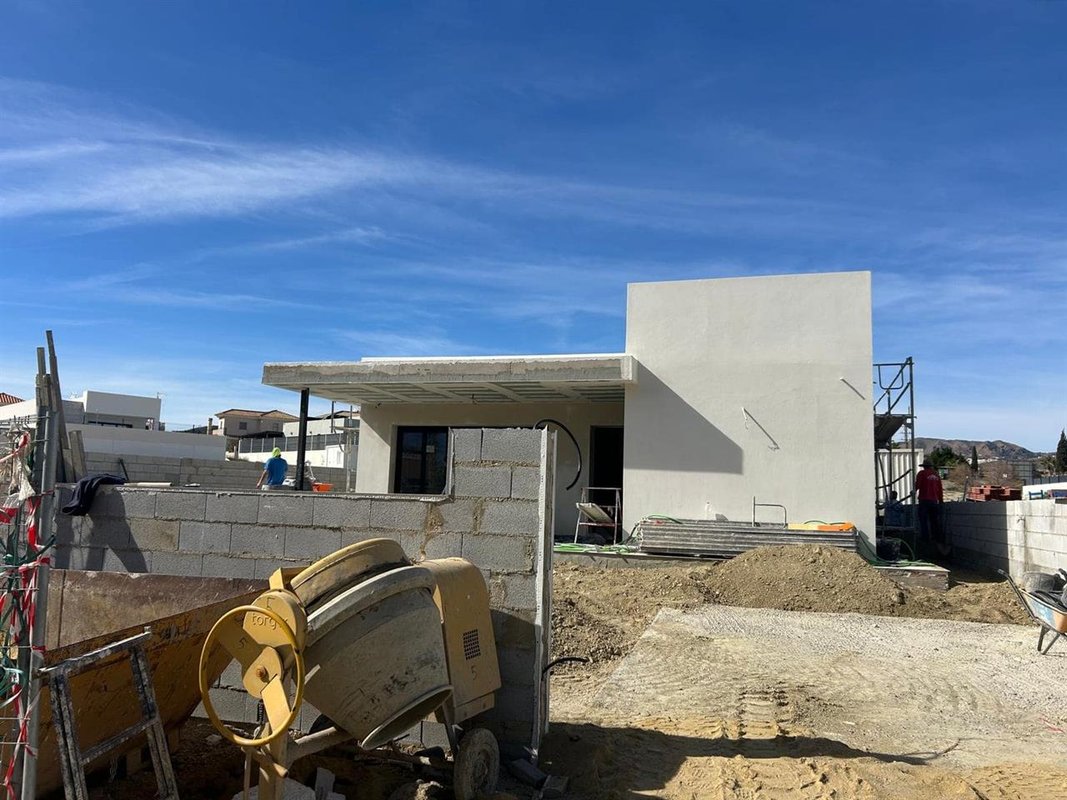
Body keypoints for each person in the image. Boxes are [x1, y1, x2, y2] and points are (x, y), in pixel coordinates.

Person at [915, 458, 946, 554]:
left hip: (924, 500)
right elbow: (940, 489)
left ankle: (925, 539)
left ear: (924, 466)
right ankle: (936, 538)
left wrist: (914, 491)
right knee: (934, 521)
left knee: (923, 520)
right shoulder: (936, 475)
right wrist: (941, 501)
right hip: (934, 501)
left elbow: (918, 485)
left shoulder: (922, 474)